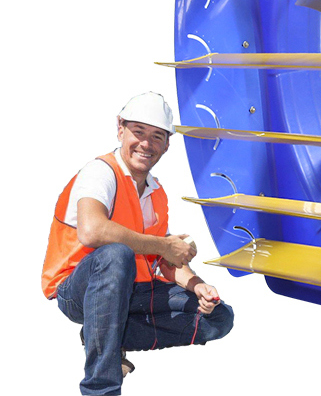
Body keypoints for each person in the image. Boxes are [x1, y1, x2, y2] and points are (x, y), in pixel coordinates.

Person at [42, 92, 234, 395]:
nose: (146, 143)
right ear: (120, 129)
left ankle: (102, 335)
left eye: (157, 136)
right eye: (139, 132)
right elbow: (91, 231)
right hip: (77, 290)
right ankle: (101, 388)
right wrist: (163, 245)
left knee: (219, 317)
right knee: (116, 255)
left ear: (167, 144)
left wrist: (197, 285)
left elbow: (162, 261)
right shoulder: (100, 173)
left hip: (130, 291)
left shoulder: (156, 192)